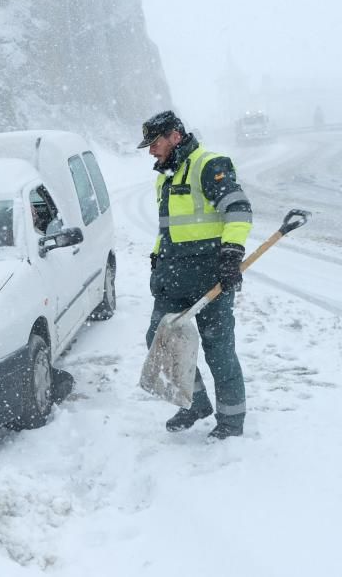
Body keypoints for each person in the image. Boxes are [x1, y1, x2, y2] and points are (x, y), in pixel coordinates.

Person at [139, 110, 252, 439]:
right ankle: (196, 403)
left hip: (210, 280)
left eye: (155, 142)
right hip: (172, 280)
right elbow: (172, 228)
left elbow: (238, 209)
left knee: (219, 352)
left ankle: (231, 422)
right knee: (158, 340)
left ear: (175, 136)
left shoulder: (209, 164)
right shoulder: (166, 175)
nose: (151, 150)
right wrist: (158, 259)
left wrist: (232, 253)